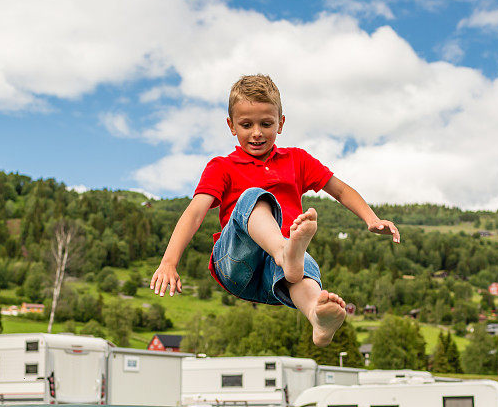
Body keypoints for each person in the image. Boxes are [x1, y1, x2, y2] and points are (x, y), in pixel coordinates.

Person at [150, 74, 400, 347]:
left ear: (280, 124)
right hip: (236, 262)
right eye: (246, 125)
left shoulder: (297, 160)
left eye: (266, 124)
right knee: (255, 197)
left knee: (303, 268)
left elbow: (339, 190)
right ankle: (286, 251)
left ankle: (316, 317)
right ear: (231, 125)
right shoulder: (221, 167)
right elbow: (195, 212)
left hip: (275, 277)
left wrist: (371, 218)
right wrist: (169, 261)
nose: (256, 132)